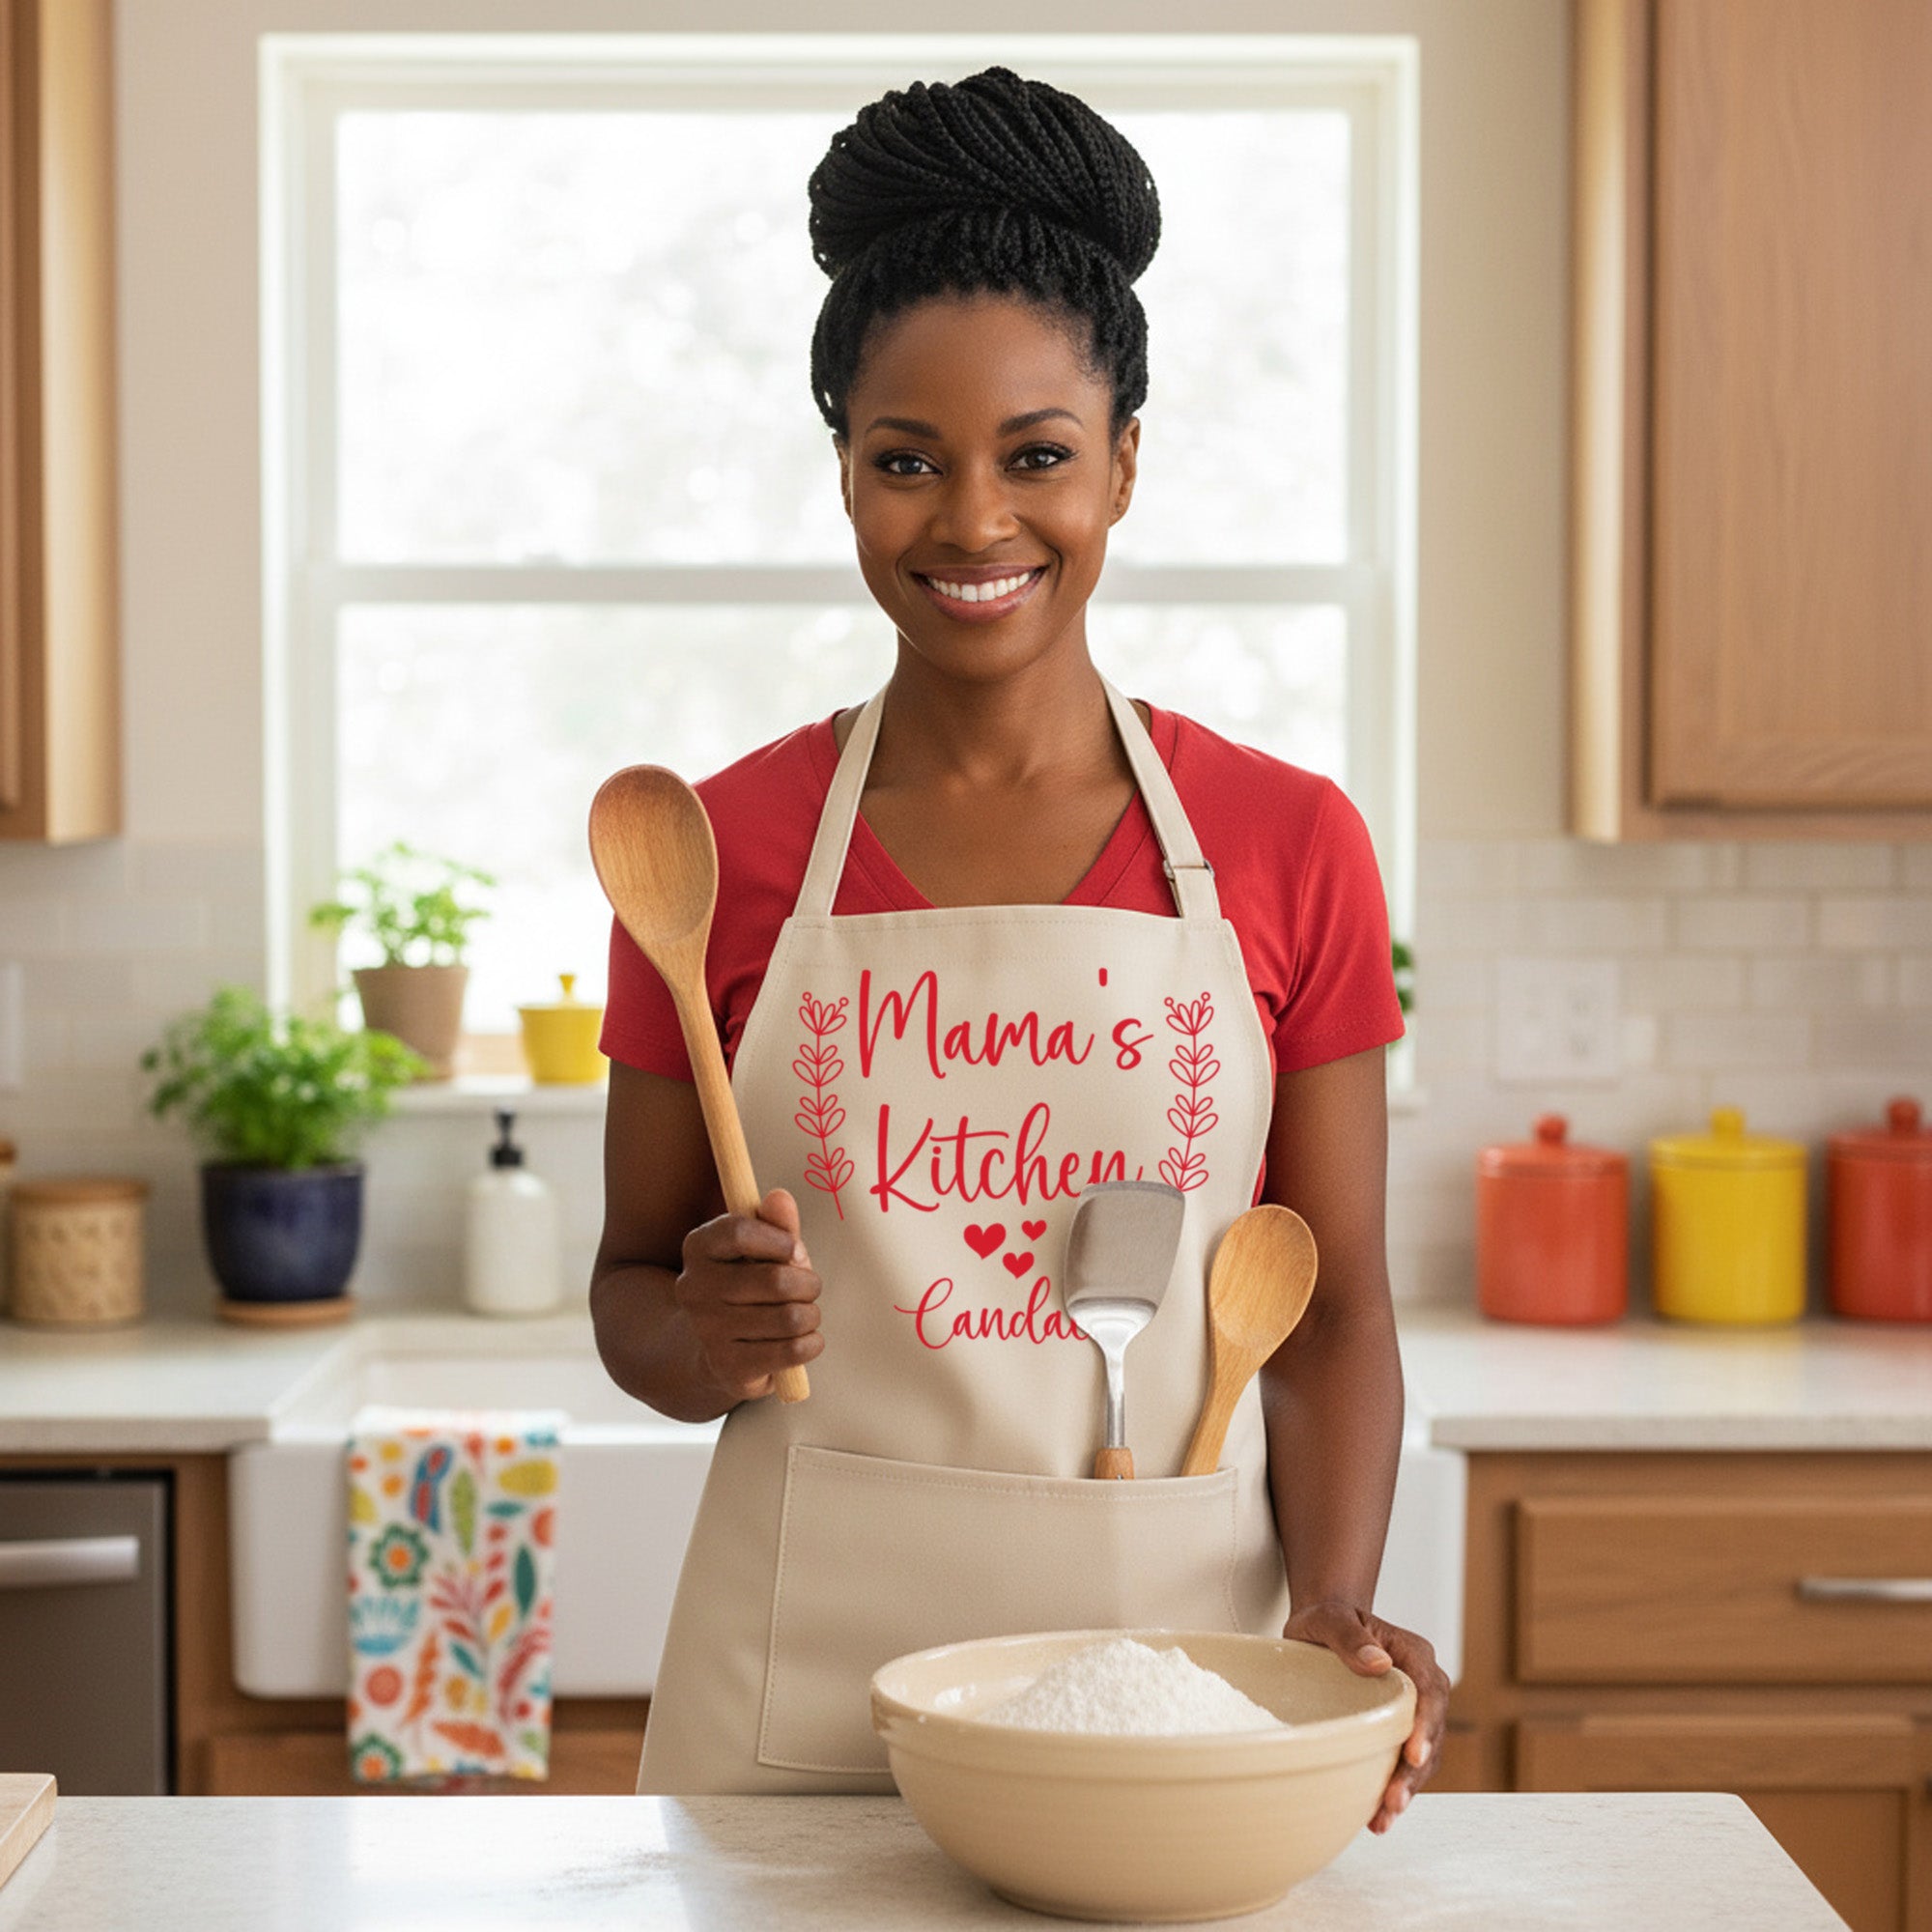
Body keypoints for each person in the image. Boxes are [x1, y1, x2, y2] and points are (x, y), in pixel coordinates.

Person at [591, 66, 1448, 1818]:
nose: (974, 522)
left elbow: (1338, 1309)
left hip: (1174, 1703)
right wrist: (711, 1337)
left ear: (1124, 465)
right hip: (793, 1725)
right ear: (841, 476)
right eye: (907, 461)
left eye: (1037, 456)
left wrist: (1335, 1603)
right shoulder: (721, 852)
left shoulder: (1290, 845)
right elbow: (631, 1301)